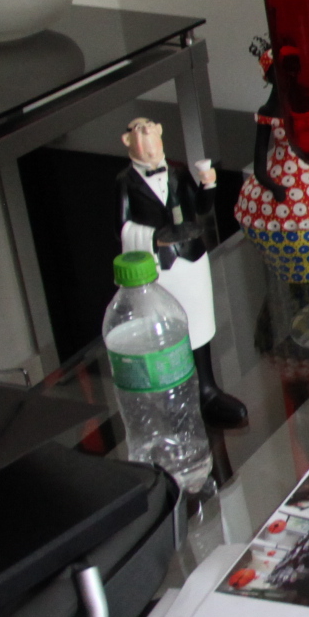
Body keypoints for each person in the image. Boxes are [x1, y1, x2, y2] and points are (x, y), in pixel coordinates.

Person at [117, 115, 247, 428]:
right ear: (127, 141)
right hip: (157, 268)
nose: (148, 139)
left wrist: (208, 184)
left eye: (151, 130)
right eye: (140, 133)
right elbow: (122, 226)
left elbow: (200, 207)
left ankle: (207, 390)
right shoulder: (125, 182)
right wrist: (153, 238)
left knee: (198, 325)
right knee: (164, 335)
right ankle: (173, 402)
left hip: (190, 257)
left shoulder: (176, 172)